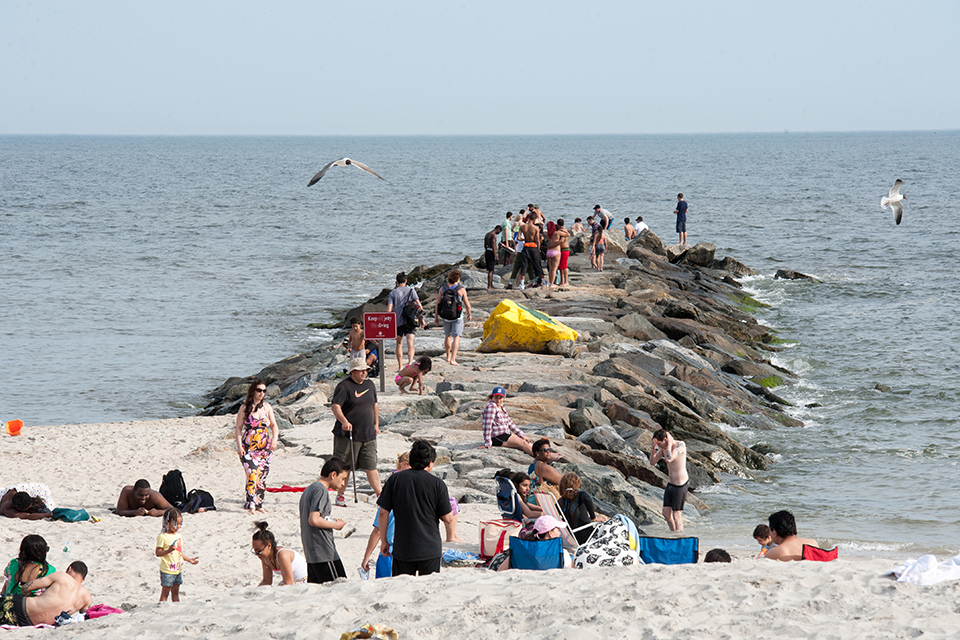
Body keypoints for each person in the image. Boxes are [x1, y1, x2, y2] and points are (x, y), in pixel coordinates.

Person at [377, 440, 454, 577]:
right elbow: (448, 518)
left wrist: (384, 541)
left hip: (403, 548)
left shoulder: (395, 480)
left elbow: (383, 513)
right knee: (428, 591)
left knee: (402, 592)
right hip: (429, 548)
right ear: (430, 463)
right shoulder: (437, 484)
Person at [331, 358, 381, 506]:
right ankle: (340, 496)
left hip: (368, 434)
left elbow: (375, 405)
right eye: (361, 370)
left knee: (371, 466)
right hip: (348, 435)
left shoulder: (370, 385)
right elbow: (335, 406)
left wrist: (376, 424)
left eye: (366, 370)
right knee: (344, 467)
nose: (364, 372)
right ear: (353, 372)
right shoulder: (344, 386)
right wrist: (344, 421)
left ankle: (381, 496)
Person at [299, 457, 349, 583]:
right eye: (343, 478)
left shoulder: (310, 488)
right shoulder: (320, 490)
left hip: (312, 554)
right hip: (324, 552)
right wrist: (336, 525)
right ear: (333, 475)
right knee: (339, 588)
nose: (343, 483)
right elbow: (314, 520)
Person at [235, 379, 279, 514]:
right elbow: (238, 428)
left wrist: (274, 440)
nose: (262, 393)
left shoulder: (267, 407)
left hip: (265, 448)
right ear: (253, 391)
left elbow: (273, 425)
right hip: (248, 447)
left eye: (264, 391)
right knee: (252, 474)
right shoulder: (244, 408)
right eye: (259, 390)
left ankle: (259, 504)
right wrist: (239, 447)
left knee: (262, 476)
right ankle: (251, 504)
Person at [2, 562, 90, 627]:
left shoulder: (62, 576)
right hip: (30, 623)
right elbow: (84, 616)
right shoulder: (86, 597)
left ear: (70, 569)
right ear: (83, 580)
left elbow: (26, 587)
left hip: (20, 609)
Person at [155, 507, 199, 602]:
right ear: (167, 522)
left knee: (175, 593)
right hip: (167, 570)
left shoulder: (179, 536)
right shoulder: (162, 537)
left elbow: (179, 553)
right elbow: (158, 553)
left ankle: (176, 609)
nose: (178, 526)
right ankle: (161, 610)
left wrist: (189, 560)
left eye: (180, 523)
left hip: (178, 569)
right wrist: (168, 550)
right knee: (165, 593)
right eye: (176, 524)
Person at [650, 428, 689, 532]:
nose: (659, 446)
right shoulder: (663, 448)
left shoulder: (680, 445)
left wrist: (669, 444)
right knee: (666, 513)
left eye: (659, 444)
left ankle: (679, 538)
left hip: (680, 484)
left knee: (676, 515)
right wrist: (653, 449)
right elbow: (652, 462)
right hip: (671, 484)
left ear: (665, 440)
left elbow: (669, 459)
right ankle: (673, 533)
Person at [386, 272, 423, 371]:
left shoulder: (393, 293)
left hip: (398, 321)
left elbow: (389, 310)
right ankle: (410, 363)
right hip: (410, 320)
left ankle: (400, 366)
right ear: (406, 281)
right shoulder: (411, 290)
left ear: (396, 282)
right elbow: (419, 306)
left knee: (399, 344)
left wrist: (388, 323)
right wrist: (421, 319)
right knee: (410, 343)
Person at [558, 472, 608, 545]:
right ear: (577, 484)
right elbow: (587, 499)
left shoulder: (561, 501)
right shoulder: (580, 494)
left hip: (572, 536)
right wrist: (594, 518)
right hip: (587, 536)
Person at [252, 521, 308, 586]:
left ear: (269, 546)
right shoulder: (265, 557)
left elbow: (289, 583)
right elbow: (266, 581)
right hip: (292, 581)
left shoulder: (282, 555)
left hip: (305, 580)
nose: (256, 554)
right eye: (254, 551)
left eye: (259, 551)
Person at [434, 269, 472, 366]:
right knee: (456, 337)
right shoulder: (461, 289)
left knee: (447, 336)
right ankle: (453, 359)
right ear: (458, 279)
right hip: (457, 316)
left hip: (446, 316)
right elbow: (467, 304)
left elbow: (437, 304)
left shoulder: (443, 289)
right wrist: (469, 314)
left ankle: (447, 357)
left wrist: (436, 318)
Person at [481, 386, 533, 455]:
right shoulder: (491, 407)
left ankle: (544, 456)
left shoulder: (501, 406)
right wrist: (487, 443)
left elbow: (509, 422)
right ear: (492, 397)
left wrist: (521, 434)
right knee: (523, 444)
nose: (498, 400)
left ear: (503, 397)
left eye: (500, 398)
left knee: (525, 441)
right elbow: (487, 426)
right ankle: (540, 459)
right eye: (496, 397)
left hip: (505, 434)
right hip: (497, 437)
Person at [512, 213, 543, 290]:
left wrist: (524, 239)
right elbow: (537, 240)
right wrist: (538, 249)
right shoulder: (536, 228)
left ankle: (521, 284)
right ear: (535, 219)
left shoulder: (522, 227)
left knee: (523, 266)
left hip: (525, 245)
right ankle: (543, 281)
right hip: (533, 246)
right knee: (537, 265)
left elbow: (518, 238)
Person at [545, 220, 568, 288]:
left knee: (550, 269)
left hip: (549, 252)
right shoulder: (557, 233)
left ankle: (550, 283)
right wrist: (564, 230)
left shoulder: (548, 234)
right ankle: (552, 284)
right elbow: (568, 235)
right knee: (554, 269)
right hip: (556, 251)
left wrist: (551, 246)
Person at [484, 225, 502, 290]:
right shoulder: (493, 235)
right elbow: (493, 246)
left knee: (489, 269)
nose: (498, 233)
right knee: (491, 270)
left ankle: (491, 285)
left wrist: (486, 251)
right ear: (498, 229)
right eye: (499, 232)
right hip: (491, 252)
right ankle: (489, 286)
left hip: (487, 252)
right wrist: (495, 256)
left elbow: (485, 245)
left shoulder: (487, 234)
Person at [556, 219, 571, 287]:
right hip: (563, 249)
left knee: (564, 266)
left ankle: (566, 281)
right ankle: (561, 281)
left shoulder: (561, 231)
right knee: (561, 266)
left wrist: (553, 244)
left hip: (564, 249)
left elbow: (562, 240)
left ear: (558, 224)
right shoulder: (565, 230)